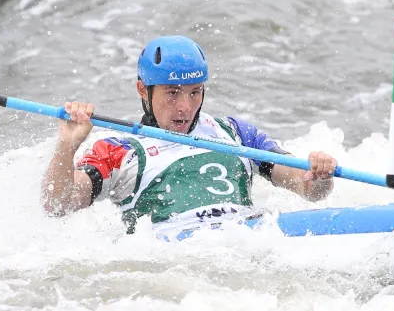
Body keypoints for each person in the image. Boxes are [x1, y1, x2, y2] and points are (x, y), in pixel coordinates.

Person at [41, 35, 338, 235]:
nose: (185, 107)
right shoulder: (119, 149)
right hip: (179, 259)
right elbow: (58, 205)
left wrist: (319, 175)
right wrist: (67, 146)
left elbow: (308, 190)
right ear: (143, 90)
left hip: (249, 240)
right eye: (172, 93)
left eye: (195, 92)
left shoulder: (235, 133)